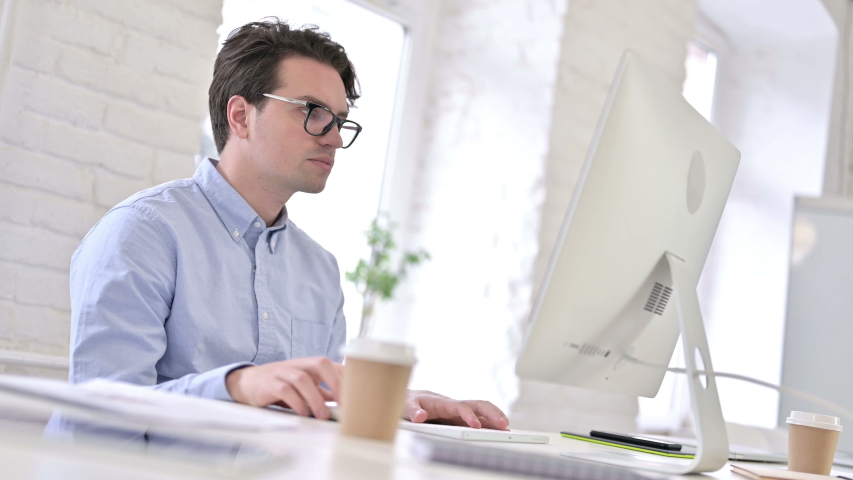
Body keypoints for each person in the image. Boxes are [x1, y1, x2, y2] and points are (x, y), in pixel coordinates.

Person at [67, 19, 509, 431]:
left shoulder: (320, 270)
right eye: (313, 111)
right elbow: (100, 415)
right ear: (240, 115)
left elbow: (311, 414)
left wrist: (401, 406)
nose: (334, 137)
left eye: (339, 120)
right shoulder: (143, 233)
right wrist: (236, 386)